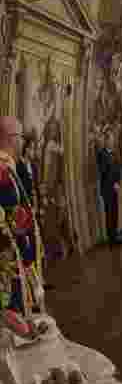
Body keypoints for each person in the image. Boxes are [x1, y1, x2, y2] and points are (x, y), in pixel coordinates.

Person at [0, 118, 44, 315]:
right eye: (20, 137)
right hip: (9, 257)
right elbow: (12, 218)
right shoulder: (2, 170)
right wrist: (26, 258)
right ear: (11, 139)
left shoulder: (9, 166)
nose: (22, 142)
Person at [97, 131, 122, 247]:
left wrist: (118, 182)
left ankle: (115, 236)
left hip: (115, 188)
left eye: (113, 139)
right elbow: (104, 172)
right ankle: (111, 238)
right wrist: (113, 183)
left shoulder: (115, 153)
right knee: (109, 213)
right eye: (111, 139)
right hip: (107, 188)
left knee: (115, 212)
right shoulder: (102, 154)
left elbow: (118, 169)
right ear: (106, 141)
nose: (112, 141)